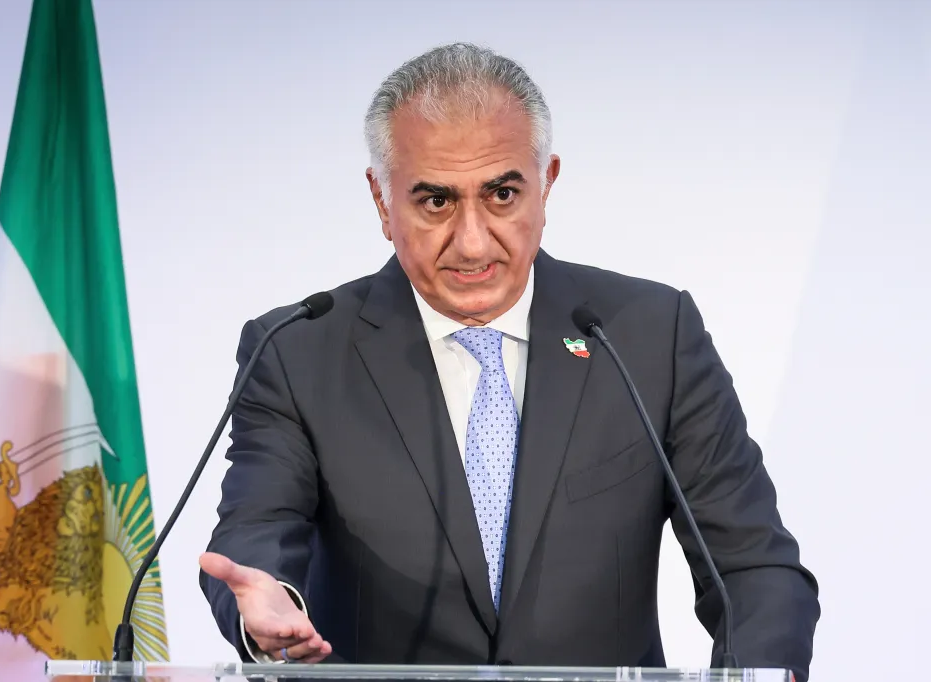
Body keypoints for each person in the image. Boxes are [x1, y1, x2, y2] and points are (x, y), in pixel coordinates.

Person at [198, 42, 820, 679]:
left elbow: (750, 567)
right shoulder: (297, 351)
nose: (472, 241)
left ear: (546, 185)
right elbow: (257, 531)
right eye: (436, 201)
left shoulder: (648, 335)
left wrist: (756, 671)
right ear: (383, 202)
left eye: (501, 194)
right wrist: (263, 610)